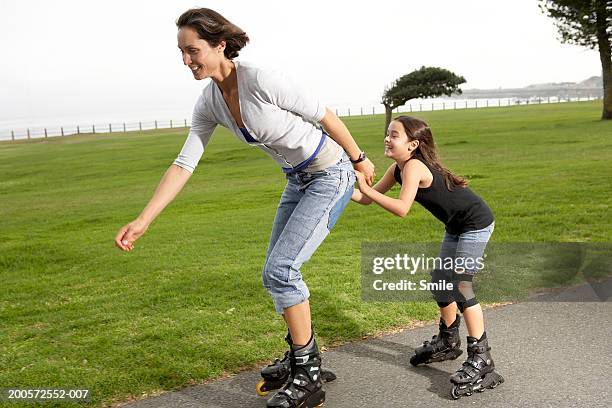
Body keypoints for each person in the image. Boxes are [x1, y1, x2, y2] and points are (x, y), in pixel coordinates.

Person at [114, 8, 374, 408]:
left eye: (193, 50)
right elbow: (185, 163)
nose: (186, 61)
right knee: (276, 272)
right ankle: (304, 357)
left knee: (281, 270)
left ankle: (307, 375)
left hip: (331, 173)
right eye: (181, 53)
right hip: (297, 179)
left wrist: (359, 159)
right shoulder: (209, 103)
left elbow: (323, 114)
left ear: (220, 45)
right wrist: (144, 218)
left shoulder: (261, 79)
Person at [351, 115, 503, 399]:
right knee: (439, 282)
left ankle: (482, 357)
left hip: (476, 223)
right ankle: (448, 339)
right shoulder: (397, 169)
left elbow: (401, 208)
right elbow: (368, 198)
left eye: (394, 134)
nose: (387, 138)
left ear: (413, 145)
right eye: (388, 133)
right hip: (457, 226)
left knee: (461, 285)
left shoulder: (414, 167)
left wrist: (366, 188)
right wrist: (342, 186)